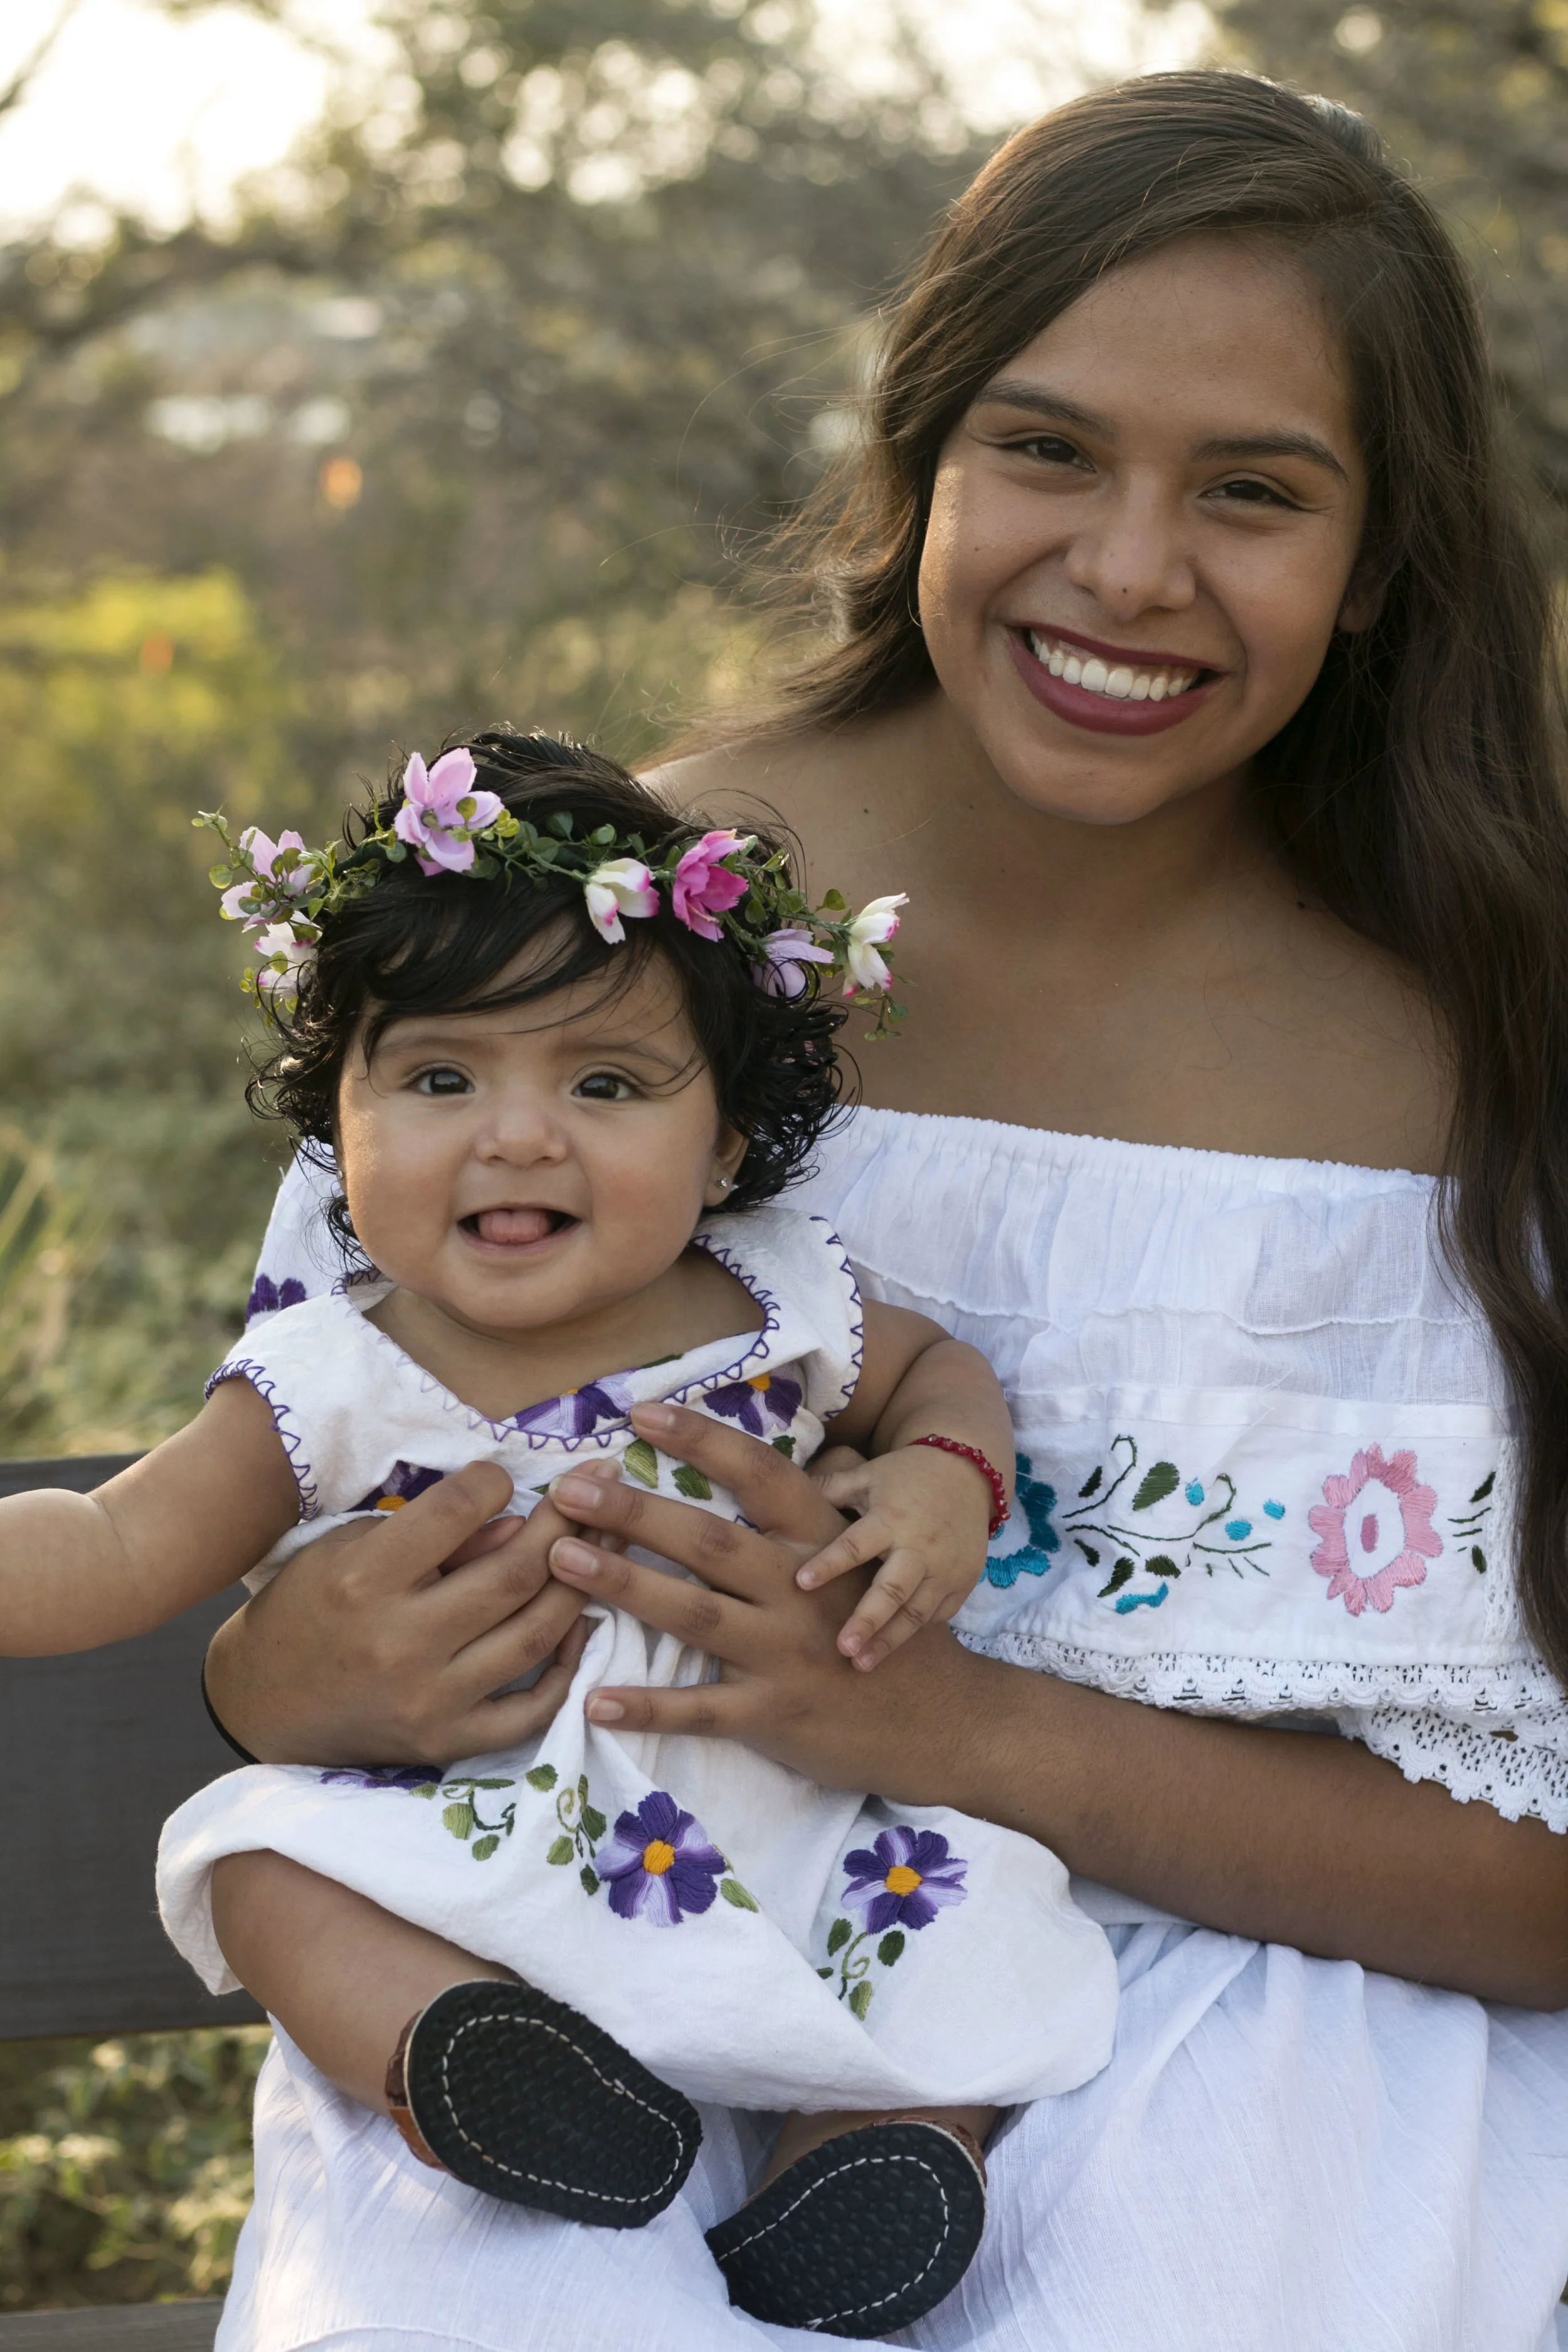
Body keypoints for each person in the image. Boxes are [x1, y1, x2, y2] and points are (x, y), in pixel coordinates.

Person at [199, 70, 1568, 2352]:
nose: (1130, 568)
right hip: (588, 1953)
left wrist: (978, 1741)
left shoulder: (1487, 1060)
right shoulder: (618, 938)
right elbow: (296, 1494)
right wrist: (282, 1670)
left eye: (1252, 491)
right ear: (918, 456)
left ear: (1379, 558)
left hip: (1282, 2025)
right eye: (1047, 449)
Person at [0, 732, 1120, 2338]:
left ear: (723, 1143)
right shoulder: (332, 1374)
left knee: (959, 1927)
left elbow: (939, 1375)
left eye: (602, 1085)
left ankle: (876, 2157)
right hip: (478, 1867)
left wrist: (941, 1477)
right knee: (262, 1869)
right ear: (344, 1120)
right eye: (441, 1079)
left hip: (787, 1818)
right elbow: (112, 1545)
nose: (517, 1137)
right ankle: (463, 2064)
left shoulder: (777, 1300)